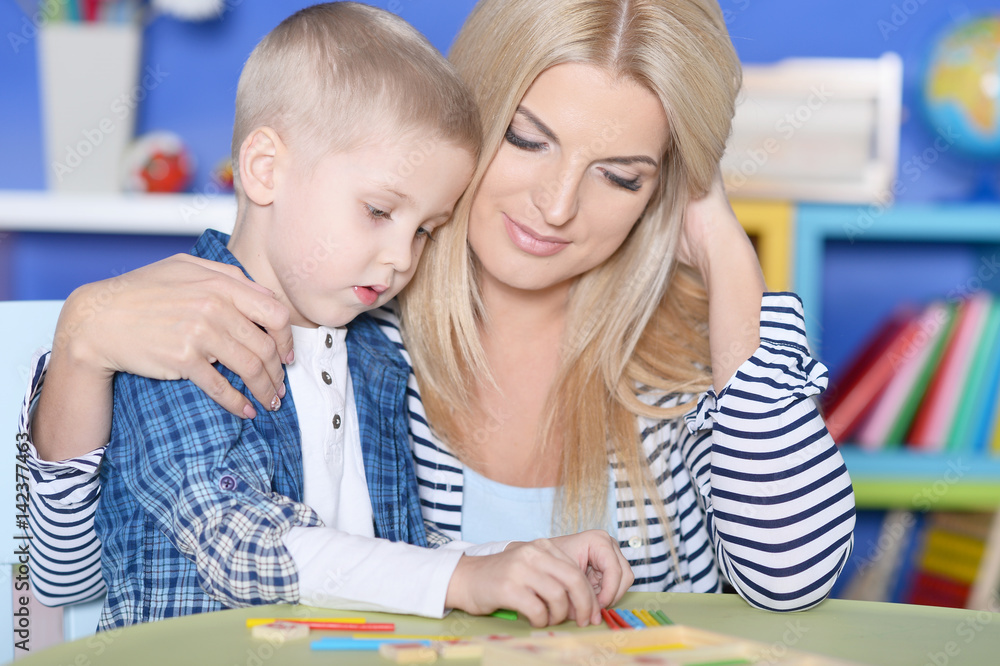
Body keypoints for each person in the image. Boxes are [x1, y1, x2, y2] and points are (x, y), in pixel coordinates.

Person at [26, 0, 855, 619]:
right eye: (528, 140)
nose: (558, 205)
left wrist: (728, 254)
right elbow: (78, 578)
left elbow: (796, 578)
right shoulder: (362, 338)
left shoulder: (697, 366)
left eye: (622, 175)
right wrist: (79, 346)